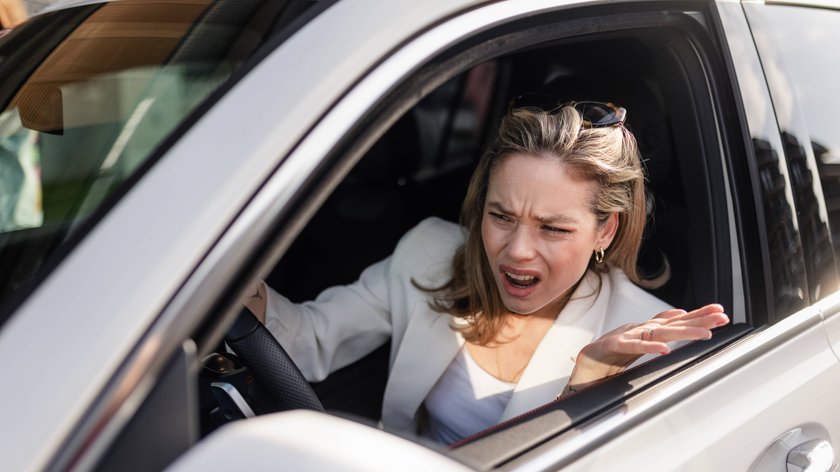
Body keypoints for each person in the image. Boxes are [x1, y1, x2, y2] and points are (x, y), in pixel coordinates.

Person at [243, 98, 728, 444]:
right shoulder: (427, 251)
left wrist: (587, 384)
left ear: (604, 232)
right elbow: (308, 339)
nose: (517, 251)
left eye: (553, 229)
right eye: (501, 216)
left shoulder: (655, 342)